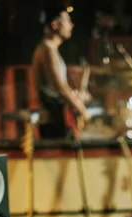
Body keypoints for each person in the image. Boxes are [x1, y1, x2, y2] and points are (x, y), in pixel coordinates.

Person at [32, 5, 92, 139]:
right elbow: (60, 88)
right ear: (55, 24)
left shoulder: (50, 49)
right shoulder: (47, 50)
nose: (71, 25)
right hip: (52, 119)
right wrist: (82, 110)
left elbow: (55, 88)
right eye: (67, 21)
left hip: (56, 116)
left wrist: (76, 95)